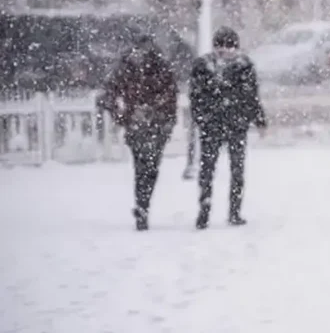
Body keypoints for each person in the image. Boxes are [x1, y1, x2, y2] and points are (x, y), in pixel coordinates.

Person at [189, 26, 267, 229]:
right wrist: (202, 118)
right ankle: (204, 210)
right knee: (207, 170)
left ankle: (234, 211)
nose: (224, 50)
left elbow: (251, 96)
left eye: (229, 46)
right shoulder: (203, 66)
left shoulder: (244, 66)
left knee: (237, 170)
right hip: (213, 125)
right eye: (220, 45)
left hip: (235, 125)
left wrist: (258, 119)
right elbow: (196, 96)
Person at [104, 34, 178, 231]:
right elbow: (109, 94)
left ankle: (142, 204)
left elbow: (171, 96)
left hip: (153, 123)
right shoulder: (127, 68)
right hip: (141, 124)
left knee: (147, 167)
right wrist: (122, 116)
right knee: (146, 166)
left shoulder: (159, 67)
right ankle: (143, 205)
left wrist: (167, 118)